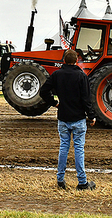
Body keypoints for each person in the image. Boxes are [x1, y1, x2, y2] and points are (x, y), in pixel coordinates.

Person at [40, 49, 97, 190]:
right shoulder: (81, 76)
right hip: (78, 118)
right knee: (79, 149)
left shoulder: (57, 74)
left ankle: (60, 180)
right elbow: (86, 99)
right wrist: (91, 115)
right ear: (77, 60)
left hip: (63, 117)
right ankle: (82, 182)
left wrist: (54, 103)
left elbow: (43, 92)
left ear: (64, 60)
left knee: (63, 147)